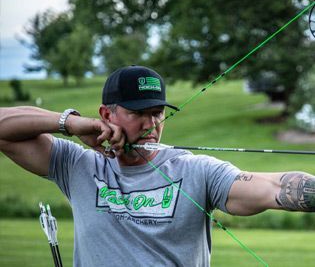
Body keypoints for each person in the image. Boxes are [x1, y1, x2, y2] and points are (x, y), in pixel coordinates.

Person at [0, 65, 314, 266]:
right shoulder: (79, 165)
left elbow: (274, 188)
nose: (152, 124)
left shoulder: (195, 171)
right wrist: (70, 123)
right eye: (139, 113)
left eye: (158, 112)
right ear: (107, 115)